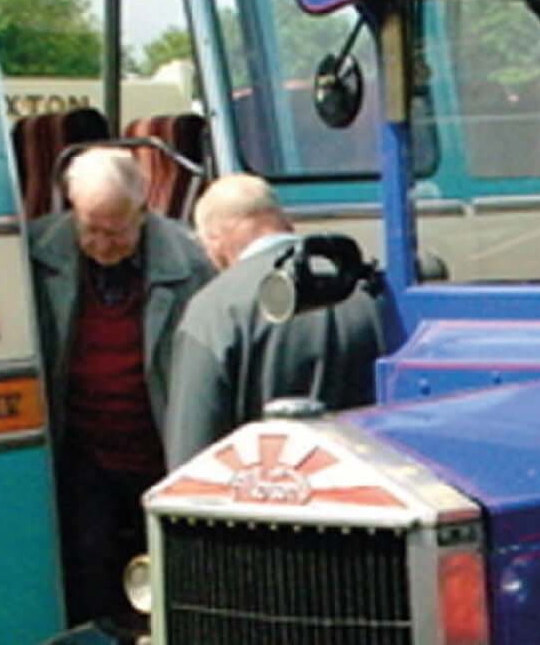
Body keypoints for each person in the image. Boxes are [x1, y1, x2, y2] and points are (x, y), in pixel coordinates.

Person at [30, 146, 211, 620]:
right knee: (89, 570)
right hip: (84, 452)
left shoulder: (191, 262)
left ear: (144, 210)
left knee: (173, 577)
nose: (102, 244)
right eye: (89, 228)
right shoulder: (33, 255)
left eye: (116, 230)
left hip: (159, 446)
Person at [163, 174, 392, 466]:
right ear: (283, 220)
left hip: (268, 497)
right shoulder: (364, 289)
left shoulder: (213, 309)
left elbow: (193, 443)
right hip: (368, 489)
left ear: (214, 239)